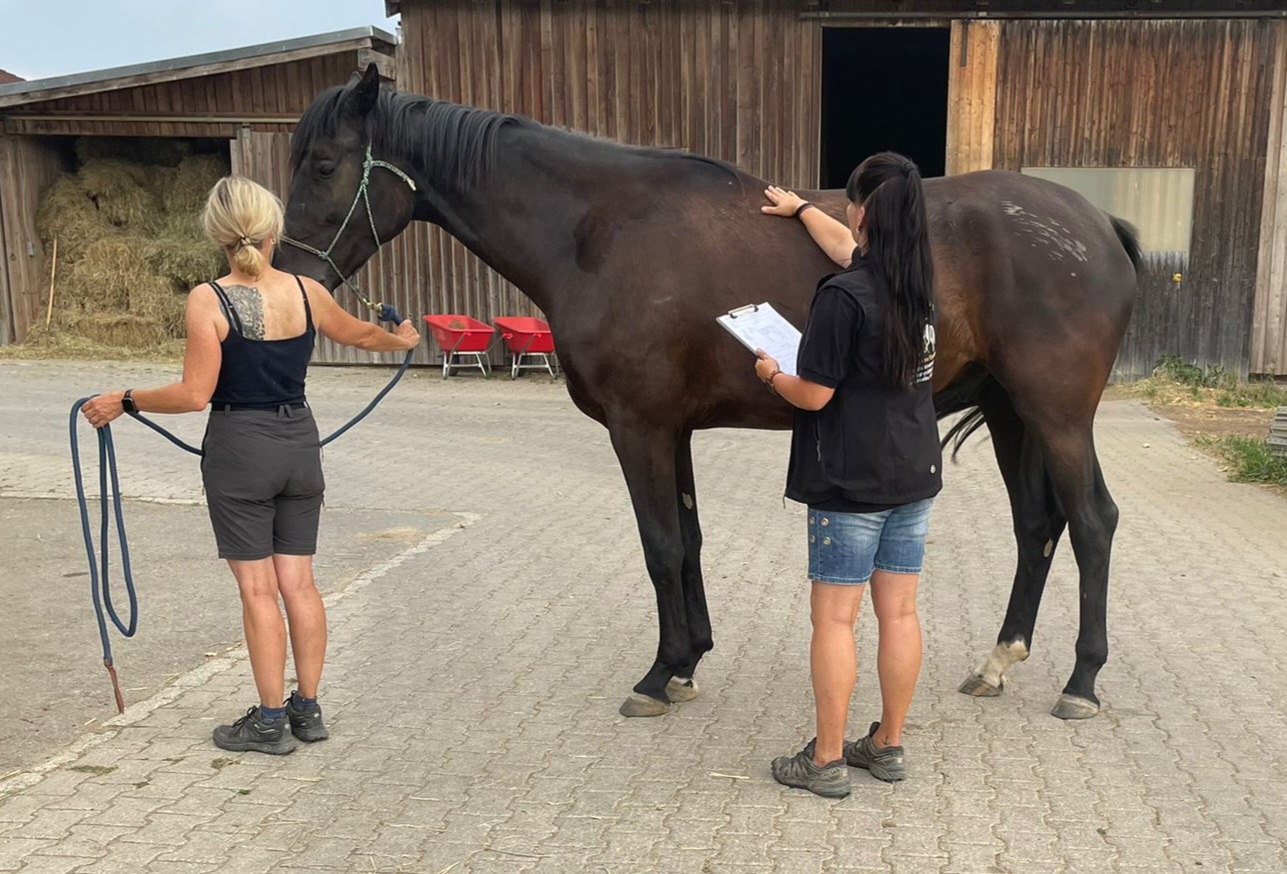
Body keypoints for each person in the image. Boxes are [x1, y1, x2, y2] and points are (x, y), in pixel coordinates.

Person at [81, 176, 420, 755]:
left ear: (217, 235)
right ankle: (307, 711)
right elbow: (362, 336)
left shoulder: (208, 300)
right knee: (301, 583)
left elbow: (194, 394)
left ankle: (268, 722)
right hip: (299, 444)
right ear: (274, 231)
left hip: (241, 450)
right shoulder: (308, 290)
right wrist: (402, 338)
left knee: (259, 591)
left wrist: (126, 399)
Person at [754, 152, 941, 797]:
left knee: (835, 621)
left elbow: (814, 396)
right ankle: (887, 745)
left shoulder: (842, 299)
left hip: (850, 483)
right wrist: (804, 210)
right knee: (900, 614)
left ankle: (826, 760)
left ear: (862, 211)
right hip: (913, 474)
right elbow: (844, 247)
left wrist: (772, 374)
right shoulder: (917, 285)